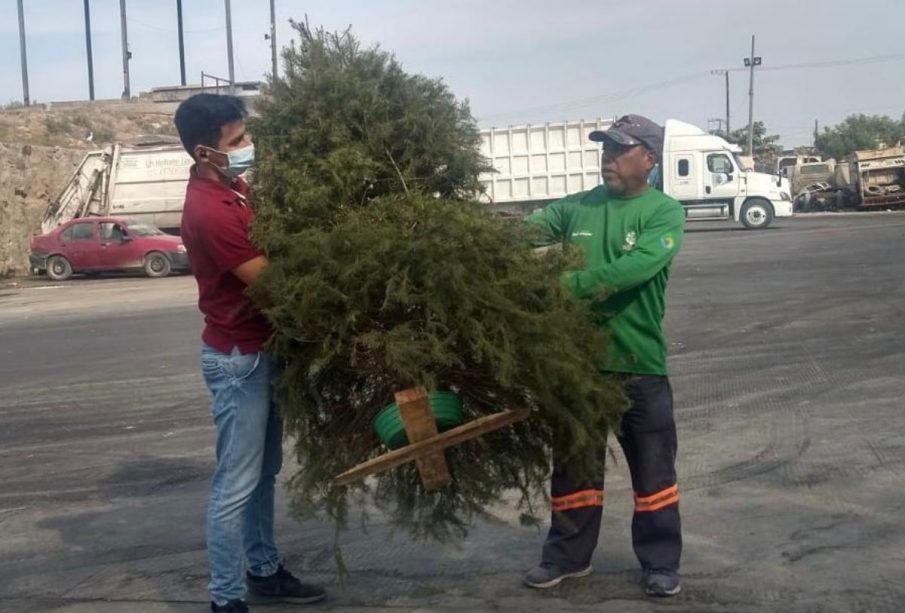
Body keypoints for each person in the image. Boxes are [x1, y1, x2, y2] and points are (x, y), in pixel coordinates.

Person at [174, 93, 326, 612]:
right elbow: (274, 283)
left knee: (262, 473)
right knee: (235, 483)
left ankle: (263, 571)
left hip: (261, 351)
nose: (248, 148)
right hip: (240, 361)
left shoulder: (235, 189)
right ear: (204, 151)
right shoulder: (210, 210)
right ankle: (226, 599)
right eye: (237, 141)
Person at [523, 114, 685, 597]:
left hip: (638, 366)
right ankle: (567, 557)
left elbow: (631, 271)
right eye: (605, 149)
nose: (607, 158)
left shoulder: (663, 213)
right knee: (574, 469)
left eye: (619, 150)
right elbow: (523, 233)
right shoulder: (575, 208)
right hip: (577, 366)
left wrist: (561, 287)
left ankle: (660, 563)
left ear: (649, 159)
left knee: (654, 473)